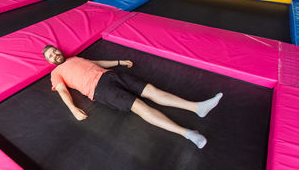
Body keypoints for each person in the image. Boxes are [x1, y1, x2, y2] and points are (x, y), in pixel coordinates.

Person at [43, 45, 223, 149]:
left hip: (111, 75)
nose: (55, 55)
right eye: (51, 56)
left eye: (54, 51)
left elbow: (97, 63)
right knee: (141, 108)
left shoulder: (75, 57)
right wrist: (73, 109)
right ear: (50, 61)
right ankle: (188, 134)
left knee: (152, 90)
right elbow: (63, 91)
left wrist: (119, 62)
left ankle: (198, 107)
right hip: (99, 90)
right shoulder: (56, 73)